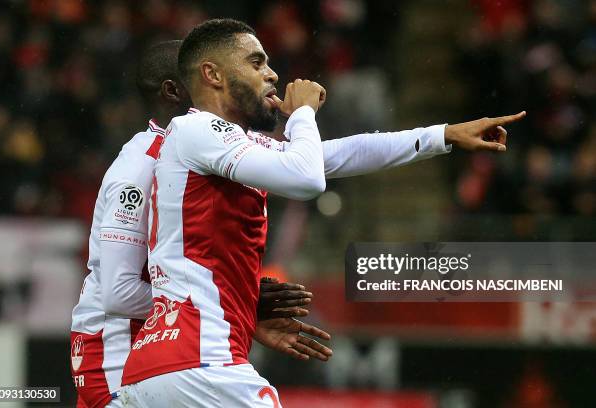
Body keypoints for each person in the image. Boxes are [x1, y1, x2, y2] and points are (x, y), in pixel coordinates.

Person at [119, 19, 525, 407]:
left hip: (157, 368)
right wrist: (302, 115)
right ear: (213, 74)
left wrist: (443, 135)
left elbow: (342, 154)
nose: (273, 74)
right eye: (256, 62)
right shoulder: (198, 130)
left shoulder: (218, 144)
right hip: (204, 367)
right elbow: (307, 178)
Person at [69, 40, 327, 408]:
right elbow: (117, 292)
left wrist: (433, 137)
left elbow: (316, 161)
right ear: (177, 90)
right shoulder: (137, 167)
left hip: (163, 355)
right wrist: (234, 302)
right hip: (113, 356)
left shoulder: (205, 148)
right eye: (208, 78)